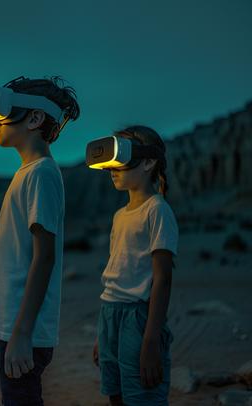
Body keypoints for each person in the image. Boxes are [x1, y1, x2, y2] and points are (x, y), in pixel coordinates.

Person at [0, 76, 81, 405]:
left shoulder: (41, 174)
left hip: (23, 329)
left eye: (3, 113)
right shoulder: (29, 171)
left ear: (34, 118)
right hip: (14, 324)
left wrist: (21, 333)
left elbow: (44, 257)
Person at [91, 126, 178, 405]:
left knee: (143, 395)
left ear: (149, 162)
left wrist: (151, 341)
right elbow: (116, 275)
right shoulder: (119, 216)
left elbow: (162, 279)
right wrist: (102, 335)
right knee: (115, 393)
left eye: (123, 158)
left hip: (138, 318)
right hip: (110, 315)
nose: (113, 168)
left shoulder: (157, 210)